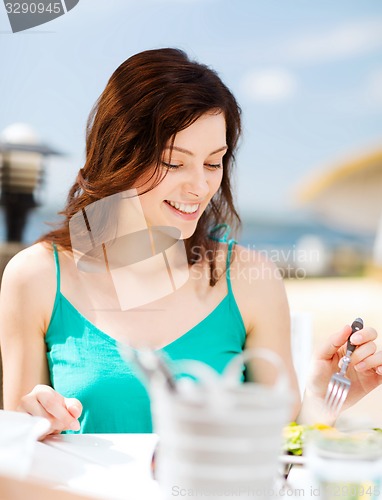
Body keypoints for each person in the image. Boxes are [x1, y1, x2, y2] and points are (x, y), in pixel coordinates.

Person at [0, 48, 381, 436]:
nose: (200, 186)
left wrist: (322, 400)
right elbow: (18, 456)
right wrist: (32, 423)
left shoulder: (251, 279)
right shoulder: (36, 277)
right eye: (173, 162)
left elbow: (280, 451)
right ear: (119, 154)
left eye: (213, 162)